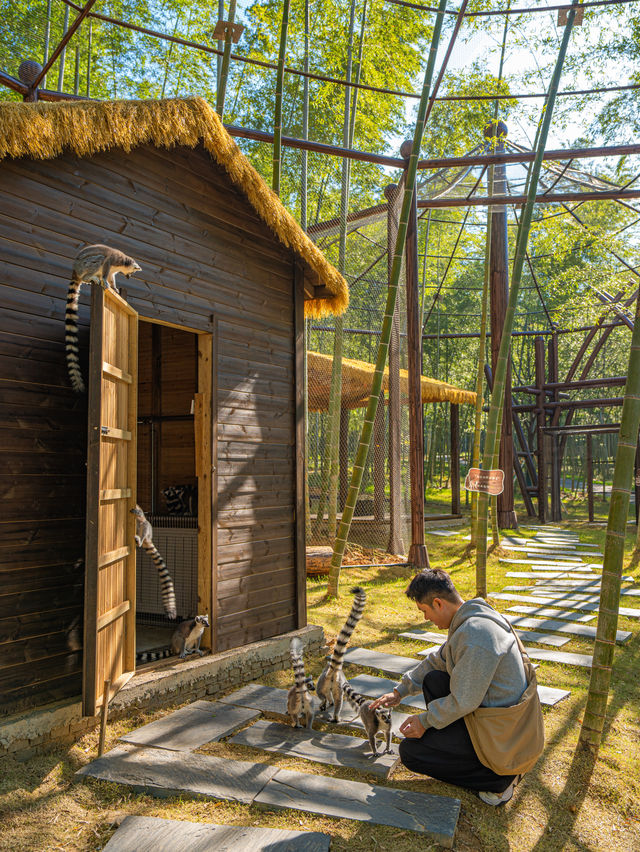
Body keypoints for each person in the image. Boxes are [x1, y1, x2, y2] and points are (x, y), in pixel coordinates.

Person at [370, 568, 543, 805]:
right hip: (494, 723)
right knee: (434, 680)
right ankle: (472, 757)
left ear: (438, 603)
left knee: (412, 753)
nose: (425, 619)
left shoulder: (476, 635)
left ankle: (499, 780)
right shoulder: (472, 618)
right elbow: (437, 661)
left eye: (424, 611)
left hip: (503, 740)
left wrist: (424, 721)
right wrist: (400, 692)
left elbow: (465, 700)